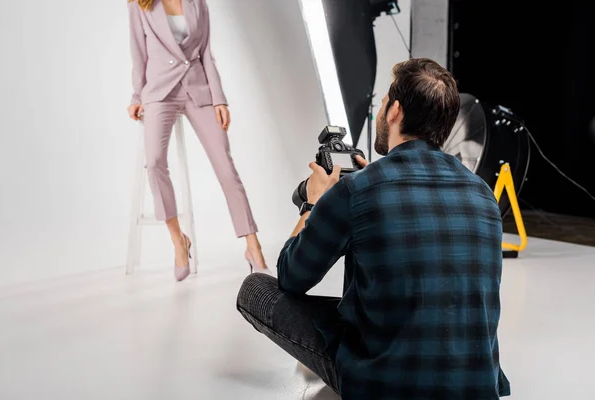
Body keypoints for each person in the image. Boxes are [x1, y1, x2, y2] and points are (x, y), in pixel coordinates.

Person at [237, 58, 511, 399]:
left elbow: (291, 276)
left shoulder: (358, 190)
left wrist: (315, 203)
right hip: (477, 386)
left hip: (385, 386)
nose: (381, 112)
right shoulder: (482, 193)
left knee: (255, 289)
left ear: (395, 111)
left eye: (382, 104)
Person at [127, 0, 270, 281]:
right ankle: (178, 239)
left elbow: (206, 53)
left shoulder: (197, 3)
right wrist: (136, 95)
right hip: (159, 91)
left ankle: (253, 247)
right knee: (154, 161)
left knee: (225, 167)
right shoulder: (139, 4)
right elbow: (138, 53)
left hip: (198, 88)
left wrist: (219, 98)